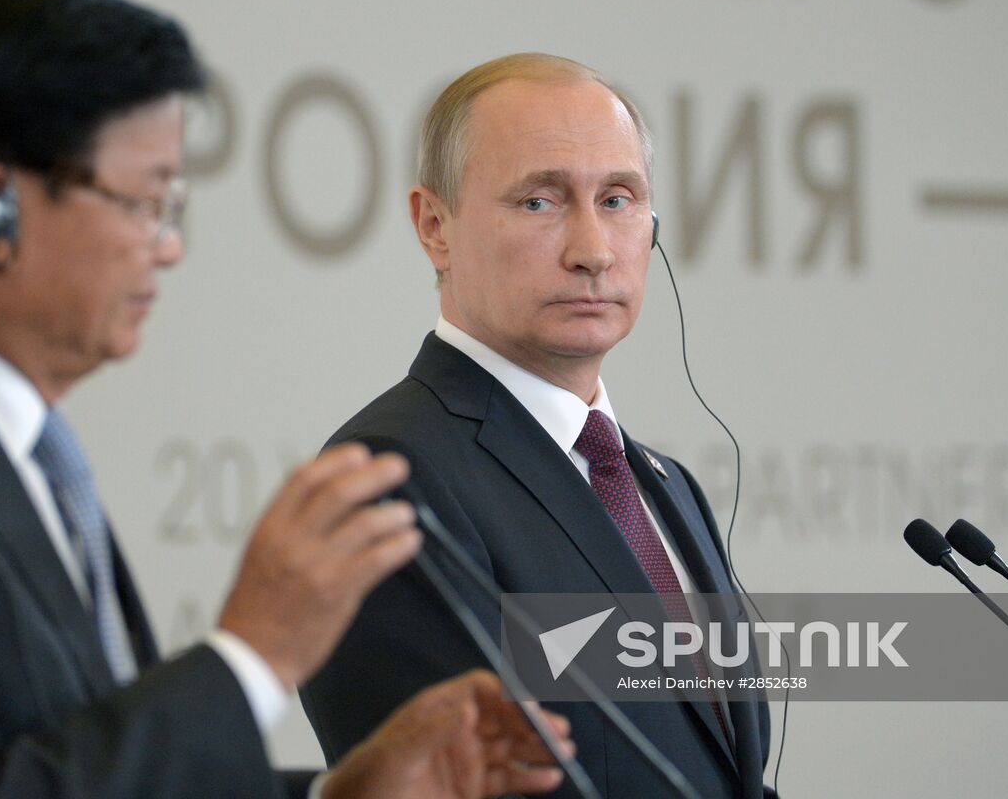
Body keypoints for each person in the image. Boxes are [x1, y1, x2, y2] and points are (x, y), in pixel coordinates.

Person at [0, 0, 571, 799]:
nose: (168, 247)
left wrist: (343, 797)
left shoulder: (14, 448)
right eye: (146, 201)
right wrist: (251, 656)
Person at [301, 53, 774, 798]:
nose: (592, 251)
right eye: (539, 202)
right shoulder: (392, 477)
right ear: (435, 226)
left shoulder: (665, 485)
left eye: (618, 199)